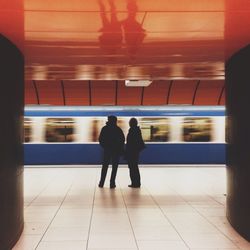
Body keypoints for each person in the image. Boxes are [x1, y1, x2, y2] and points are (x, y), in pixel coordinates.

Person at [98, 115, 125, 188]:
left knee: (105, 167)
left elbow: (100, 139)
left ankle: (101, 182)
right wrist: (119, 148)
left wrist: (105, 147)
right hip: (116, 151)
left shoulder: (104, 129)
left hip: (107, 151)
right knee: (114, 167)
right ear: (115, 121)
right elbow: (122, 140)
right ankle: (112, 183)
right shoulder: (118, 129)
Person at [125, 118, 145, 188]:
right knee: (134, 167)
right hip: (134, 152)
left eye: (130, 122)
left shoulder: (133, 131)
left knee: (133, 167)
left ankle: (135, 183)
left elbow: (131, 143)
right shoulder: (136, 130)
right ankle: (136, 182)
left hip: (132, 152)